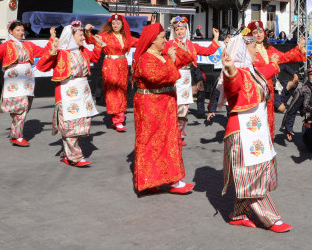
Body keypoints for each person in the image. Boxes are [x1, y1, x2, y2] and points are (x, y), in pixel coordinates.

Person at [219, 30, 289, 232]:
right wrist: (230, 67)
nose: (257, 52)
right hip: (242, 132)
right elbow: (232, 83)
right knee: (252, 175)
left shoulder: (252, 71)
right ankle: (270, 218)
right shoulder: (237, 73)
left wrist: (283, 59)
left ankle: (238, 214)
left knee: (255, 172)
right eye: (252, 48)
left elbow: (268, 70)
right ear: (242, 50)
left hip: (256, 130)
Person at [131, 23, 195, 194]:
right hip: (150, 105)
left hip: (165, 103)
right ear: (152, 41)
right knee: (151, 141)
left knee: (169, 141)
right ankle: (151, 180)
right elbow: (156, 76)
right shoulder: (145, 58)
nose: (166, 41)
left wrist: (178, 49)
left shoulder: (162, 55)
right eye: (162, 38)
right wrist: (172, 60)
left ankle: (173, 180)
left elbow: (187, 58)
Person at [36, 21, 104, 167]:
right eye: (80, 35)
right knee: (70, 125)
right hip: (66, 93)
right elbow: (41, 66)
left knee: (79, 124)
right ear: (71, 36)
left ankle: (67, 154)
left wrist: (98, 45)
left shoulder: (83, 51)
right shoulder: (60, 53)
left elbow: (95, 58)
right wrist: (51, 52)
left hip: (82, 92)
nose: (83, 38)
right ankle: (75, 156)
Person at [0, 21, 52, 147]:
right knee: (21, 107)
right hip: (14, 81)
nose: (21, 33)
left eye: (22, 30)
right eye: (18, 30)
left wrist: (52, 39)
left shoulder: (28, 45)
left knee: (24, 107)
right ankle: (17, 136)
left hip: (27, 80)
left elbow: (44, 51)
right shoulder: (6, 45)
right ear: (10, 31)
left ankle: (15, 132)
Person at [246, 20, 306, 139]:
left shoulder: (270, 49)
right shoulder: (248, 50)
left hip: (269, 87)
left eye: (260, 31)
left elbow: (284, 57)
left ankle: (268, 142)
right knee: (255, 116)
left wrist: (298, 48)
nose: (258, 35)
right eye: (255, 32)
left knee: (269, 115)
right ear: (250, 35)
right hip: (255, 87)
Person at [164, 17, 219, 143]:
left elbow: (208, 51)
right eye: (177, 29)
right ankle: (170, 133)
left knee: (184, 109)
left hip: (187, 79)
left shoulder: (191, 45)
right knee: (172, 108)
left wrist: (215, 37)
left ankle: (180, 134)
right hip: (173, 77)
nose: (179, 32)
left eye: (182, 29)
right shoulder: (168, 45)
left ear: (186, 29)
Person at [84, 14, 137, 132]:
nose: (115, 25)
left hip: (123, 65)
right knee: (113, 91)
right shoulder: (105, 36)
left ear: (122, 25)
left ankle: (116, 119)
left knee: (122, 90)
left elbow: (140, 42)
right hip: (110, 65)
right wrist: (87, 31)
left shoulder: (126, 37)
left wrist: (152, 37)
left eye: (118, 23)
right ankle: (118, 120)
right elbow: (92, 39)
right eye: (113, 23)